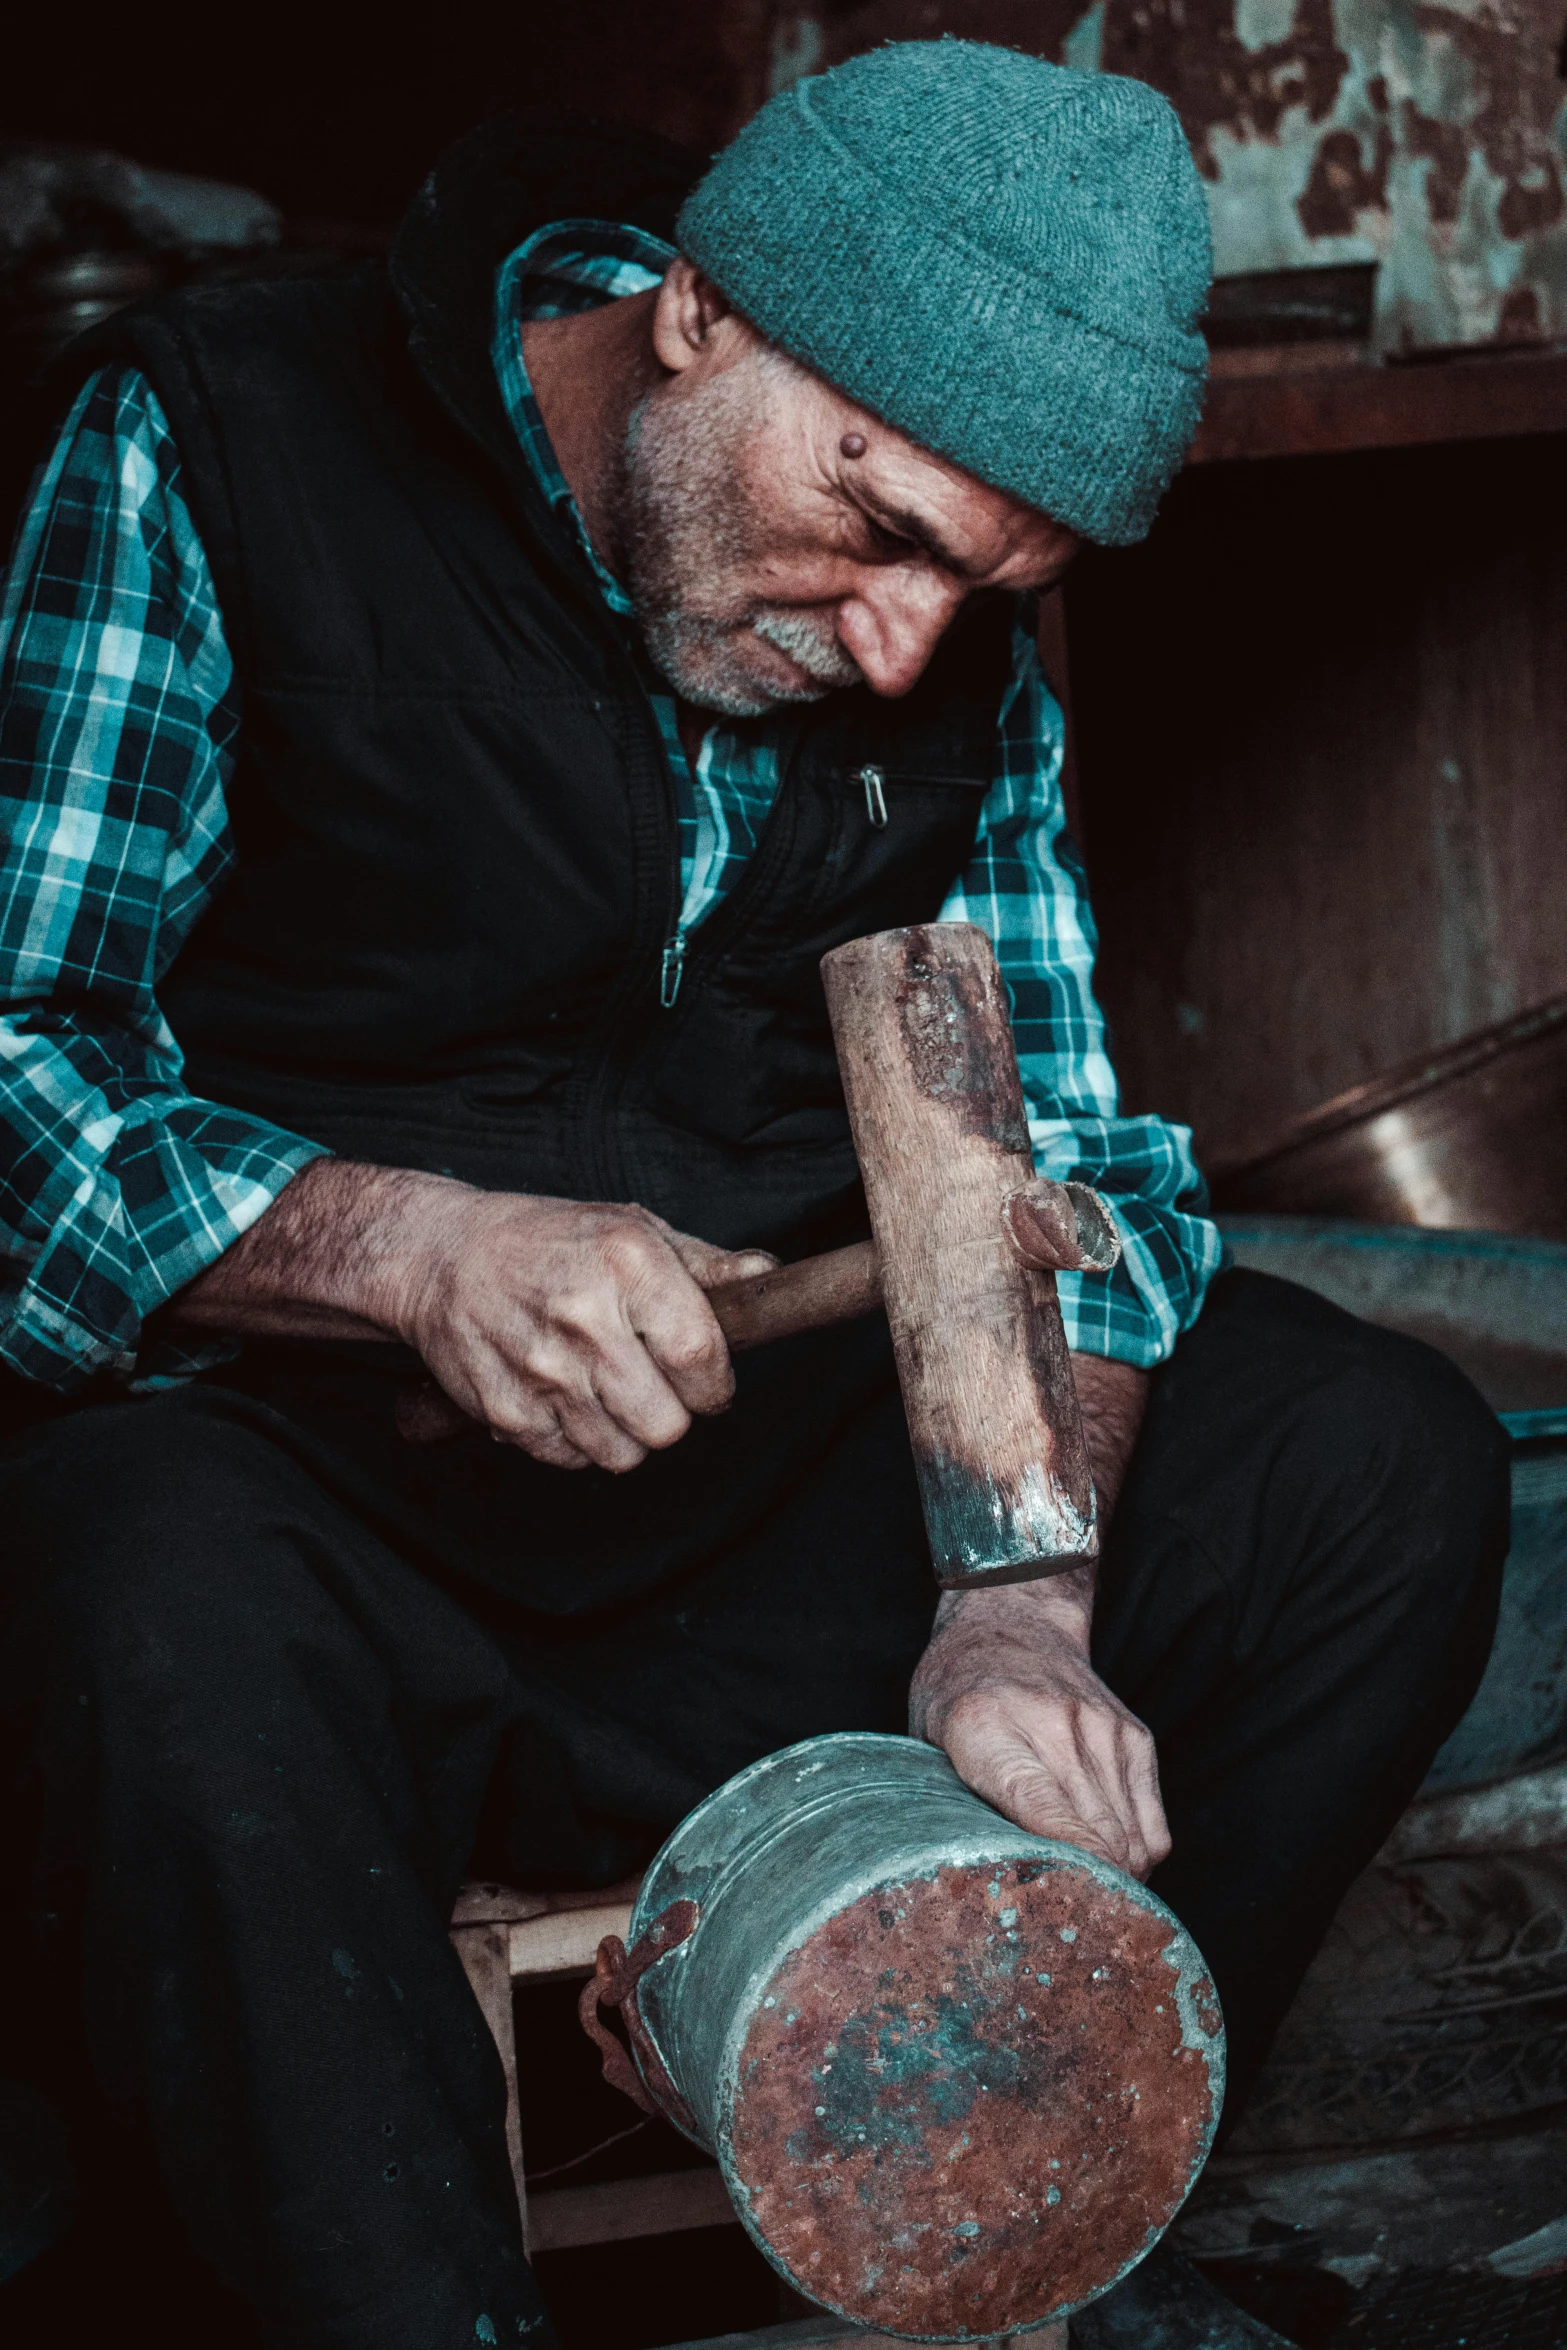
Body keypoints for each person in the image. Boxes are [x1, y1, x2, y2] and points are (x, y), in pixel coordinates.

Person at [0, 42, 1508, 2350]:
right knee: (129, 1583)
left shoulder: (943, 624)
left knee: (1376, 1469)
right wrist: (400, 1247)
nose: (906, 643)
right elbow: (19, 1058)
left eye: (988, 582)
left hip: (768, 1517)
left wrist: (1019, 1592)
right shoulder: (220, 445)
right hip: (328, 1516)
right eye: (879, 524)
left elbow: (1070, 1169)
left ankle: (990, 2196)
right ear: (698, 312)